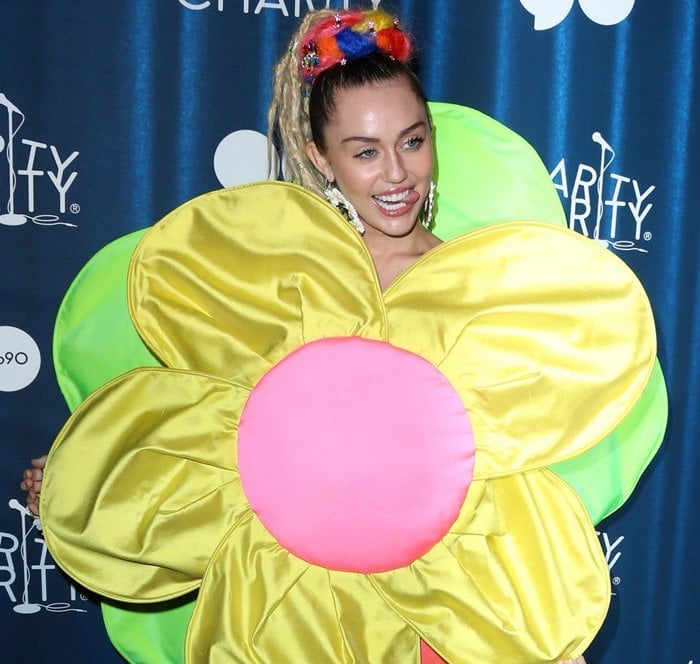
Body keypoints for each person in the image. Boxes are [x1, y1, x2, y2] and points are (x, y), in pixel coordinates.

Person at [21, 8, 651, 663]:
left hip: (451, 616)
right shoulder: (272, 287)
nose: (397, 175)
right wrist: (76, 483)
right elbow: (199, 426)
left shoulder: (485, 289)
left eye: (413, 141)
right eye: (365, 152)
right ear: (321, 157)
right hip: (306, 623)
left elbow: (528, 449)